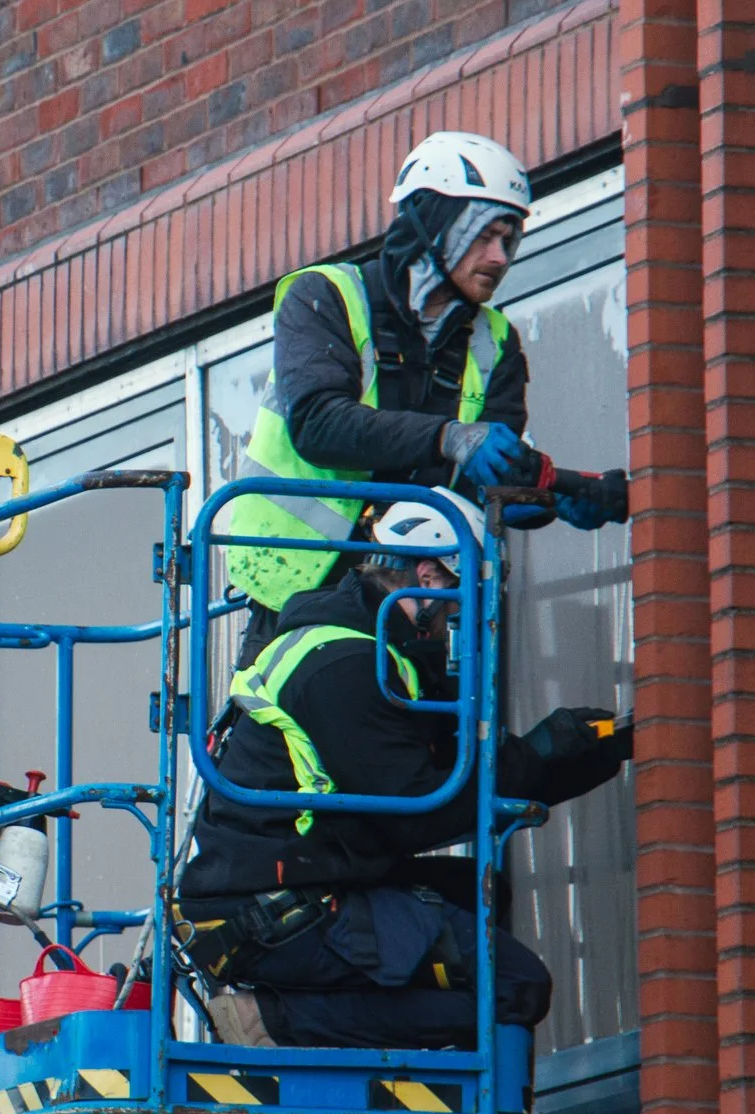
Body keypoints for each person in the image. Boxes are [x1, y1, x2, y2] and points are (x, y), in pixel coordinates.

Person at [177, 494, 629, 1049]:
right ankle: (276, 1021)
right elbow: (415, 812)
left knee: (475, 892)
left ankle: (328, 1025)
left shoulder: (381, 653)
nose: (454, 626)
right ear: (428, 576)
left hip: (297, 877)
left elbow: (466, 782)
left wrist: (592, 755)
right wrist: (537, 749)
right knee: (517, 988)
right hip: (275, 907)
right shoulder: (341, 664)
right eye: (457, 605)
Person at [220, 131, 627, 662]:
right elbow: (319, 424)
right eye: (484, 234)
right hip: (299, 594)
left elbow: (483, 476)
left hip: (421, 606)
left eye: (511, 239)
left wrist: (545, 498)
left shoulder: (495, 342)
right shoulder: (326, 296)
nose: (500, 257)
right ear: (433, 221)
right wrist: (449, 437)